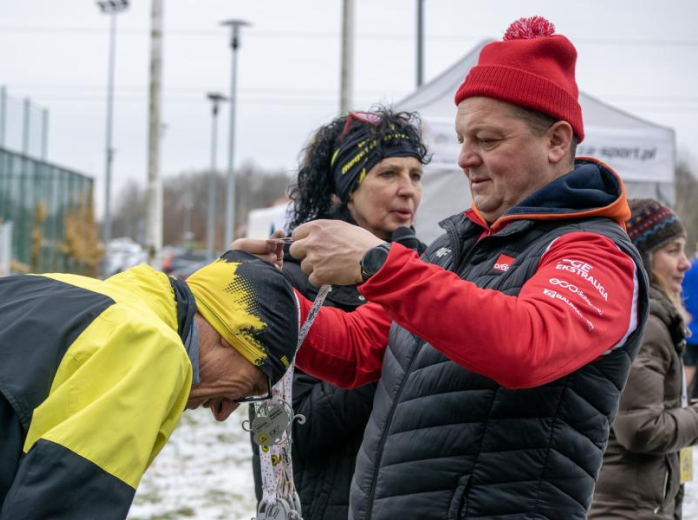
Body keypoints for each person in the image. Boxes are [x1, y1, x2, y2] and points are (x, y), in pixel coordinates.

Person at [238, 16, 649, 519]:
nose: (463, 159)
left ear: (557, 142)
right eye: (461, 139)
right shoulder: (456, 247)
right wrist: (252, 294)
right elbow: (357, 349)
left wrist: (375, 264)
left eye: (488, 140)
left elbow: (526, 345)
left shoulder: (596, 252)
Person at [0, 250, 299, 519]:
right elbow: (67, 505)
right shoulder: (151, 347)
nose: (222, 411)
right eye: (246, 389)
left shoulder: (50, 288)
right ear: (233, 334)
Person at [250, 107, 429, 520]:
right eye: (388, 174)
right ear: (346, 188)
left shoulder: (429, 270)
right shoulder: (294, 279)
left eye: (415, 175)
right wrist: (393, 343)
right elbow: (281, 429)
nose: (408, 190)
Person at [591, 200, 695, 519]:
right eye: (672, 250)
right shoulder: (644, 324)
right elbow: (641, 429)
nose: (685, 263)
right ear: (643, 257)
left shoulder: (650, 318)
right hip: (625, 509)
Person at [683, 250, 698, 394]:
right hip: (692, 327)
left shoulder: (688, 268)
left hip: (689, 328)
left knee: (688, 368)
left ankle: (681, 400)